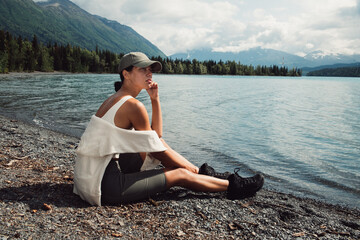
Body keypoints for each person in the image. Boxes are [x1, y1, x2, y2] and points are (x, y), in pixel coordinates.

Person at [73, 52, 264, 206]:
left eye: (150, 70)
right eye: (143, 70)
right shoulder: (132, 105)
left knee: (161, 147)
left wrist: (154, 99)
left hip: (89, 177)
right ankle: (233, 186)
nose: (150, 74)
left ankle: (202, 174)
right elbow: (155, 145)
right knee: (179, 174)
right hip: (105, 188)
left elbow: (155, 138)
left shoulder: (114, 98)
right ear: (126, 74)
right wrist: (186, 168)